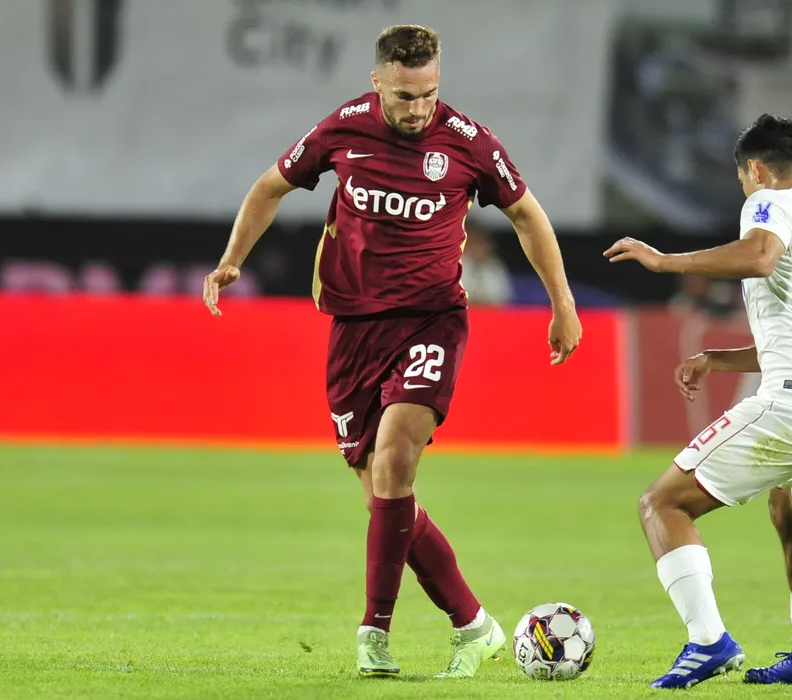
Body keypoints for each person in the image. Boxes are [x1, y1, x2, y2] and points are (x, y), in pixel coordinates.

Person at [204, 24, 581, 679]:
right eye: (405, 96)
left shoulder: (467, 142)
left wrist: (562, 303)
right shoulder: (342, 129)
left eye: (429, 93)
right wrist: (233, 259)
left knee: (397, 457)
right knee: (383, 493)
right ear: (377, 81)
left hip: (433, 320)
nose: (418, 109)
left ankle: (373, 633)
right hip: (353, 331)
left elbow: (526, 214)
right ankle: (474, 626)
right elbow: (269, 187)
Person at [604, 113, 792, 689]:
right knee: (791, 514)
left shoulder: (769, 203)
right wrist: (718, 358)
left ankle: (708, 641)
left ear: (755, 169)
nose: (744, 191)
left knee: (663, 504)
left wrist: (664, 261)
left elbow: (758, 257)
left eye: (741, 180)